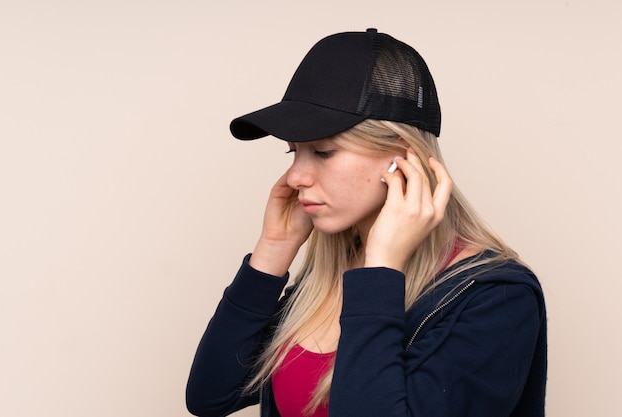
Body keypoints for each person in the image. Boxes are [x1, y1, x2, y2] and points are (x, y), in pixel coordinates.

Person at [186, 28, 547, 417]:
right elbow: (211, 395)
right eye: (294, 152)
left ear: (402, 157)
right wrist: (273, 249)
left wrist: (381, 274)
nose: (295, 177)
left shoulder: (495, 298)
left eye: (323, 152)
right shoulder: (330, 276)